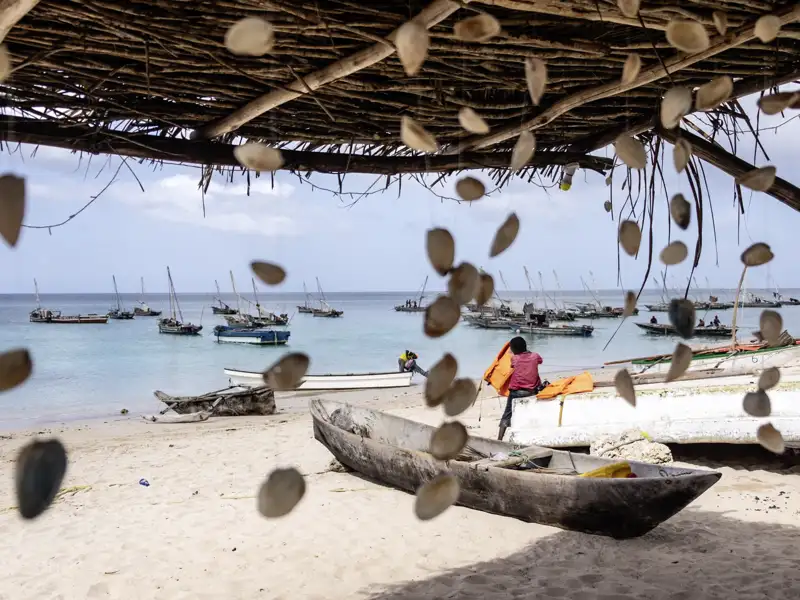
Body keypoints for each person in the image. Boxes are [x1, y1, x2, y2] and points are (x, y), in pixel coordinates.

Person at [498, 336, 544, 441]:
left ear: (515, 350)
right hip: (531, 392)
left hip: (516, 392)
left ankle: (499, 439)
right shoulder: (535, 356)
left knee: (507, 414)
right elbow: (540, 361)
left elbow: (513, 365)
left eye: (512, 349)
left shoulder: (515, 358)